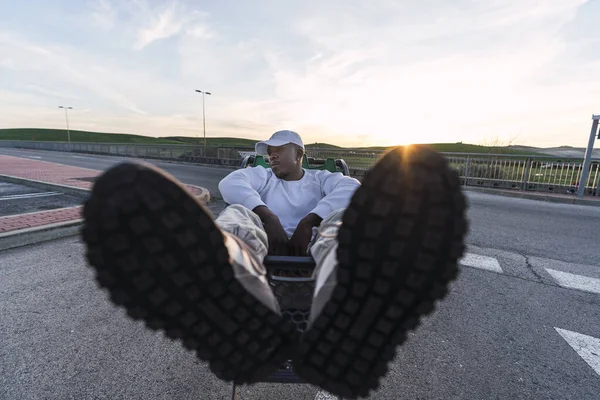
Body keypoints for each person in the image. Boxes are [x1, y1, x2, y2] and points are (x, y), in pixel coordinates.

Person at [81, 130, 468, 399]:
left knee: (344, 223)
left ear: (299, 153)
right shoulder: (261, 177)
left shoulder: (322, 179)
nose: (271, 155)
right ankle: (232, 291)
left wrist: (308, 221)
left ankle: (342, 301)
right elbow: (232, 183)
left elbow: (352, 189)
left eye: (279, 150)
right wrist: (267, 216)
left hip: (315, 248)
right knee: (237, 215)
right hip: (262, 250)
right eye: (268, 150)